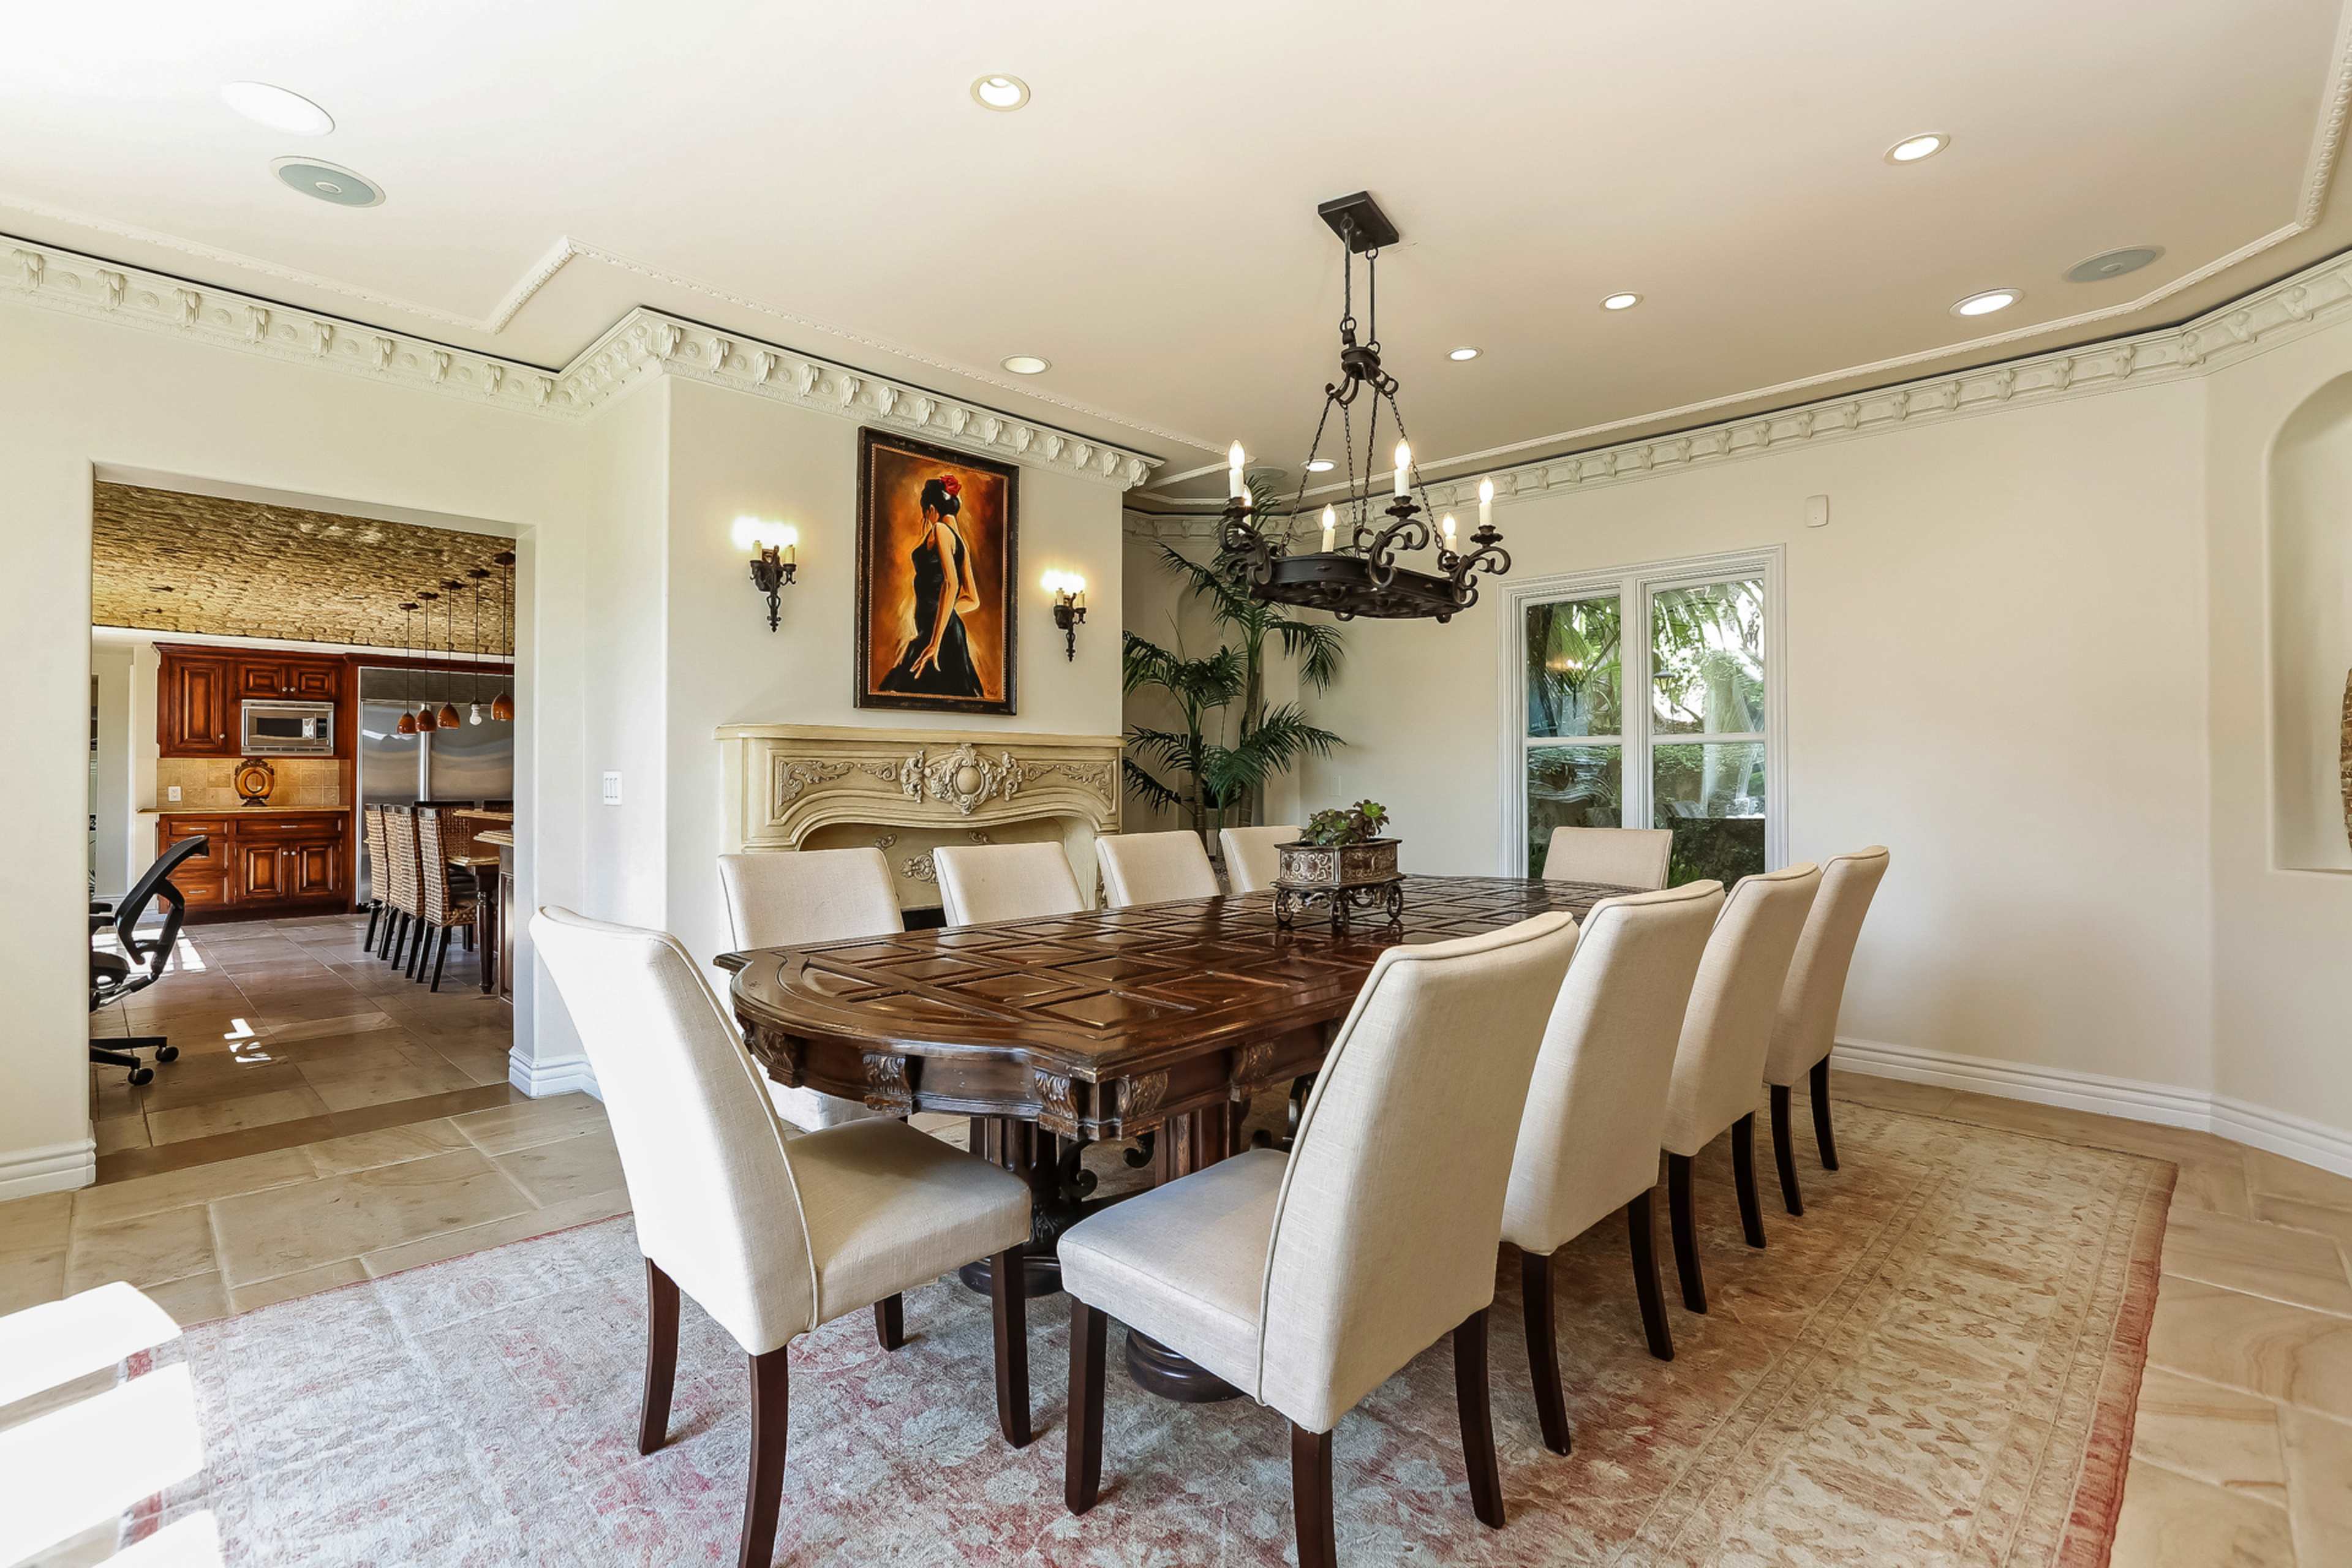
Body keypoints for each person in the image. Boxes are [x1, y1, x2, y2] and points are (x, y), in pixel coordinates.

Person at [879, 474, 986, 699]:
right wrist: (945, 614)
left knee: (900, 690)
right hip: (939, 630)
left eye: (925, 513)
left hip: (938, 637)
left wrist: (935, 642)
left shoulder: (940, 530)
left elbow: (951, 583)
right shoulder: (962, 544)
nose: (926, 518)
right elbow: (972, 599)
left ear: (931, 509)